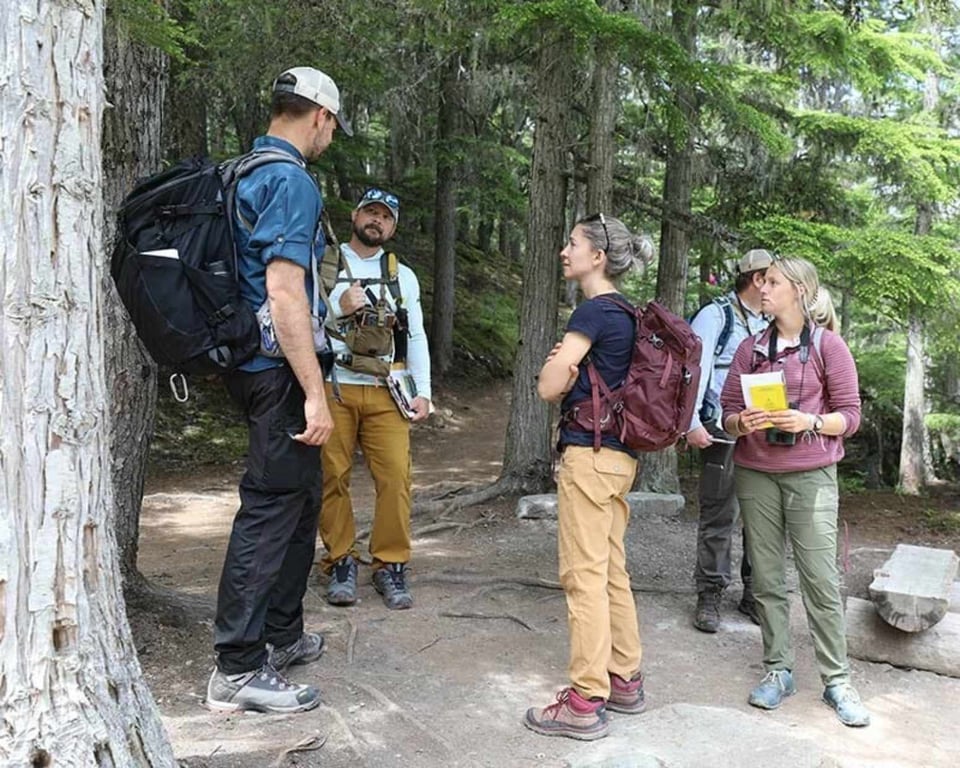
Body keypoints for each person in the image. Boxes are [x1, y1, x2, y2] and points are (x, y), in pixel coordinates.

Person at [205, 65, 351, 714]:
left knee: (300, 499)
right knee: (269, 510)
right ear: (319, 116)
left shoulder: (241, 172)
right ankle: (236, 669)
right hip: (278, 369)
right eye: (333, 127)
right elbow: (285, 293)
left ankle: (281, 635)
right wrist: (314, 393)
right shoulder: (290, 181)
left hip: (249, 363)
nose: (331, 138)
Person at [719, 256, 870, 727]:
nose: (762, 289)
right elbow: (726, 413)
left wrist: (809, 421)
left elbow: (851, 416)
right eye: (762, 282)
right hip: (755, 473)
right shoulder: (750, 349)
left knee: (820, 579)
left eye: (773, 282)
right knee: (766, 579)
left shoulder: (828, 346)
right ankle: (778, 670)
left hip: (811, 475)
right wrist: (742, 422)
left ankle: (837, 681)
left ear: (799, 291)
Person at [524, 214, 650, 741]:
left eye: (572, 243)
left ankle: (583, 701)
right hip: (620, 460)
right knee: (611, 570)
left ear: (598, 256)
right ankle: (625, 678)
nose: (564, 250)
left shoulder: (593, 311)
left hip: (589, 456)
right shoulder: (630, 313)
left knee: (583, 576)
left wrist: (559, 366)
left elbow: (547, 387)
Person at [318, 187, 432, 610]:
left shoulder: (403, 276)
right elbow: (299, 316)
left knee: (396, 478)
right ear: (355, 215)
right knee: (332, 476)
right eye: (371, 212)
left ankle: (390, 562)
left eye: (385, 217)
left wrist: (424, 392)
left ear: (393, 227)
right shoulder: (325, 264)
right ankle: (340, 560)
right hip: (334, 383)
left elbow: (415, 335)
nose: (376, 221)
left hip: (387, 387)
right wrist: (338, 306)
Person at [686, 249, 771, 632]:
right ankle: (710, 595)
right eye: (772, 279)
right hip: (722, 430)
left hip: (766, 434)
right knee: (719, 515)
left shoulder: (772, 321)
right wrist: (691, 423)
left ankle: (753, 594)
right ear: (757, 279)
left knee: (763, 519)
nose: (776, 288)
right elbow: (695, 371)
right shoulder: (715, 316)